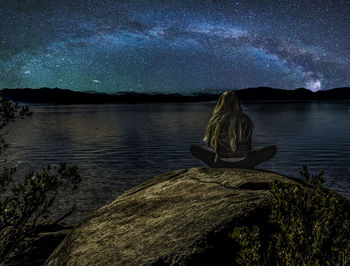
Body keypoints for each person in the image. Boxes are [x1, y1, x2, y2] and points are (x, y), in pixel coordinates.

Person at [189, 91, 277, 168]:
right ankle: (242, 164)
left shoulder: (215, 121)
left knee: (193, 148)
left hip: (219, 163)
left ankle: (221, 164)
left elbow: (211, 144)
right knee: (272, 149)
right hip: (243, 163)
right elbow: (248, 146)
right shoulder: (245, 119)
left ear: (220, 103)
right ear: (237, 103)